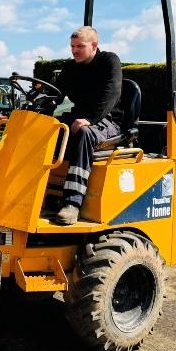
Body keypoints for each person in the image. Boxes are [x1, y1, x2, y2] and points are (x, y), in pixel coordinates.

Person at [52, 26, 122, 225]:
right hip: (81, 116)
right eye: (72, 46)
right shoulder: (71, 67)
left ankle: (72, 203)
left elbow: (112, 92)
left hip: (107, 120)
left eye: (80, 46)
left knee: (83, 133)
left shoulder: (109, 62)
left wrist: (91, 118)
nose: (74, 51)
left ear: (94, 45)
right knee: (47, 127)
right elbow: (55, 94)